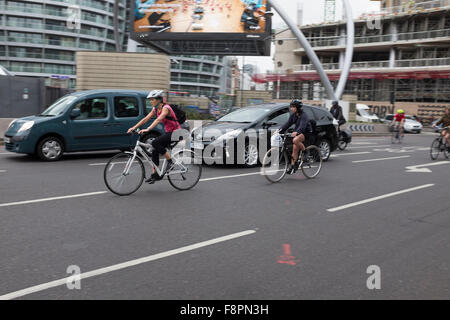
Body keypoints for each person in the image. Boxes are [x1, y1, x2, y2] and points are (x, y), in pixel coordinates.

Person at [127, 90, 181, 184]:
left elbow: (158, 119)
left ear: (159, 100)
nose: (151, 101)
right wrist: (134, 127)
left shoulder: (166, 108)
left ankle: (170, 161)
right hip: (169, 132)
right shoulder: (155, 109)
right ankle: (155, 175)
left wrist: (148, 129)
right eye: (150, 100)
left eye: (152, 99)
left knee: (155, 142)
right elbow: (145, 119)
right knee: (154, 150)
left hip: (177, 133)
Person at [279, 99, 313, 174]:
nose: (291, 108)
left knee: (295, 140)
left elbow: (302, 126)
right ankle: (293, 166)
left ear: (298, 107)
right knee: (295, 148)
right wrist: (279, 131)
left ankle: (305, 152)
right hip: (298, 132)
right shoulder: (293, 115)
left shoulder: (304, 115)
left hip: (306, 132)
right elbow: (287, 124)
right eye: (291, 107)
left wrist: (297, 132)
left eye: (293, 107)